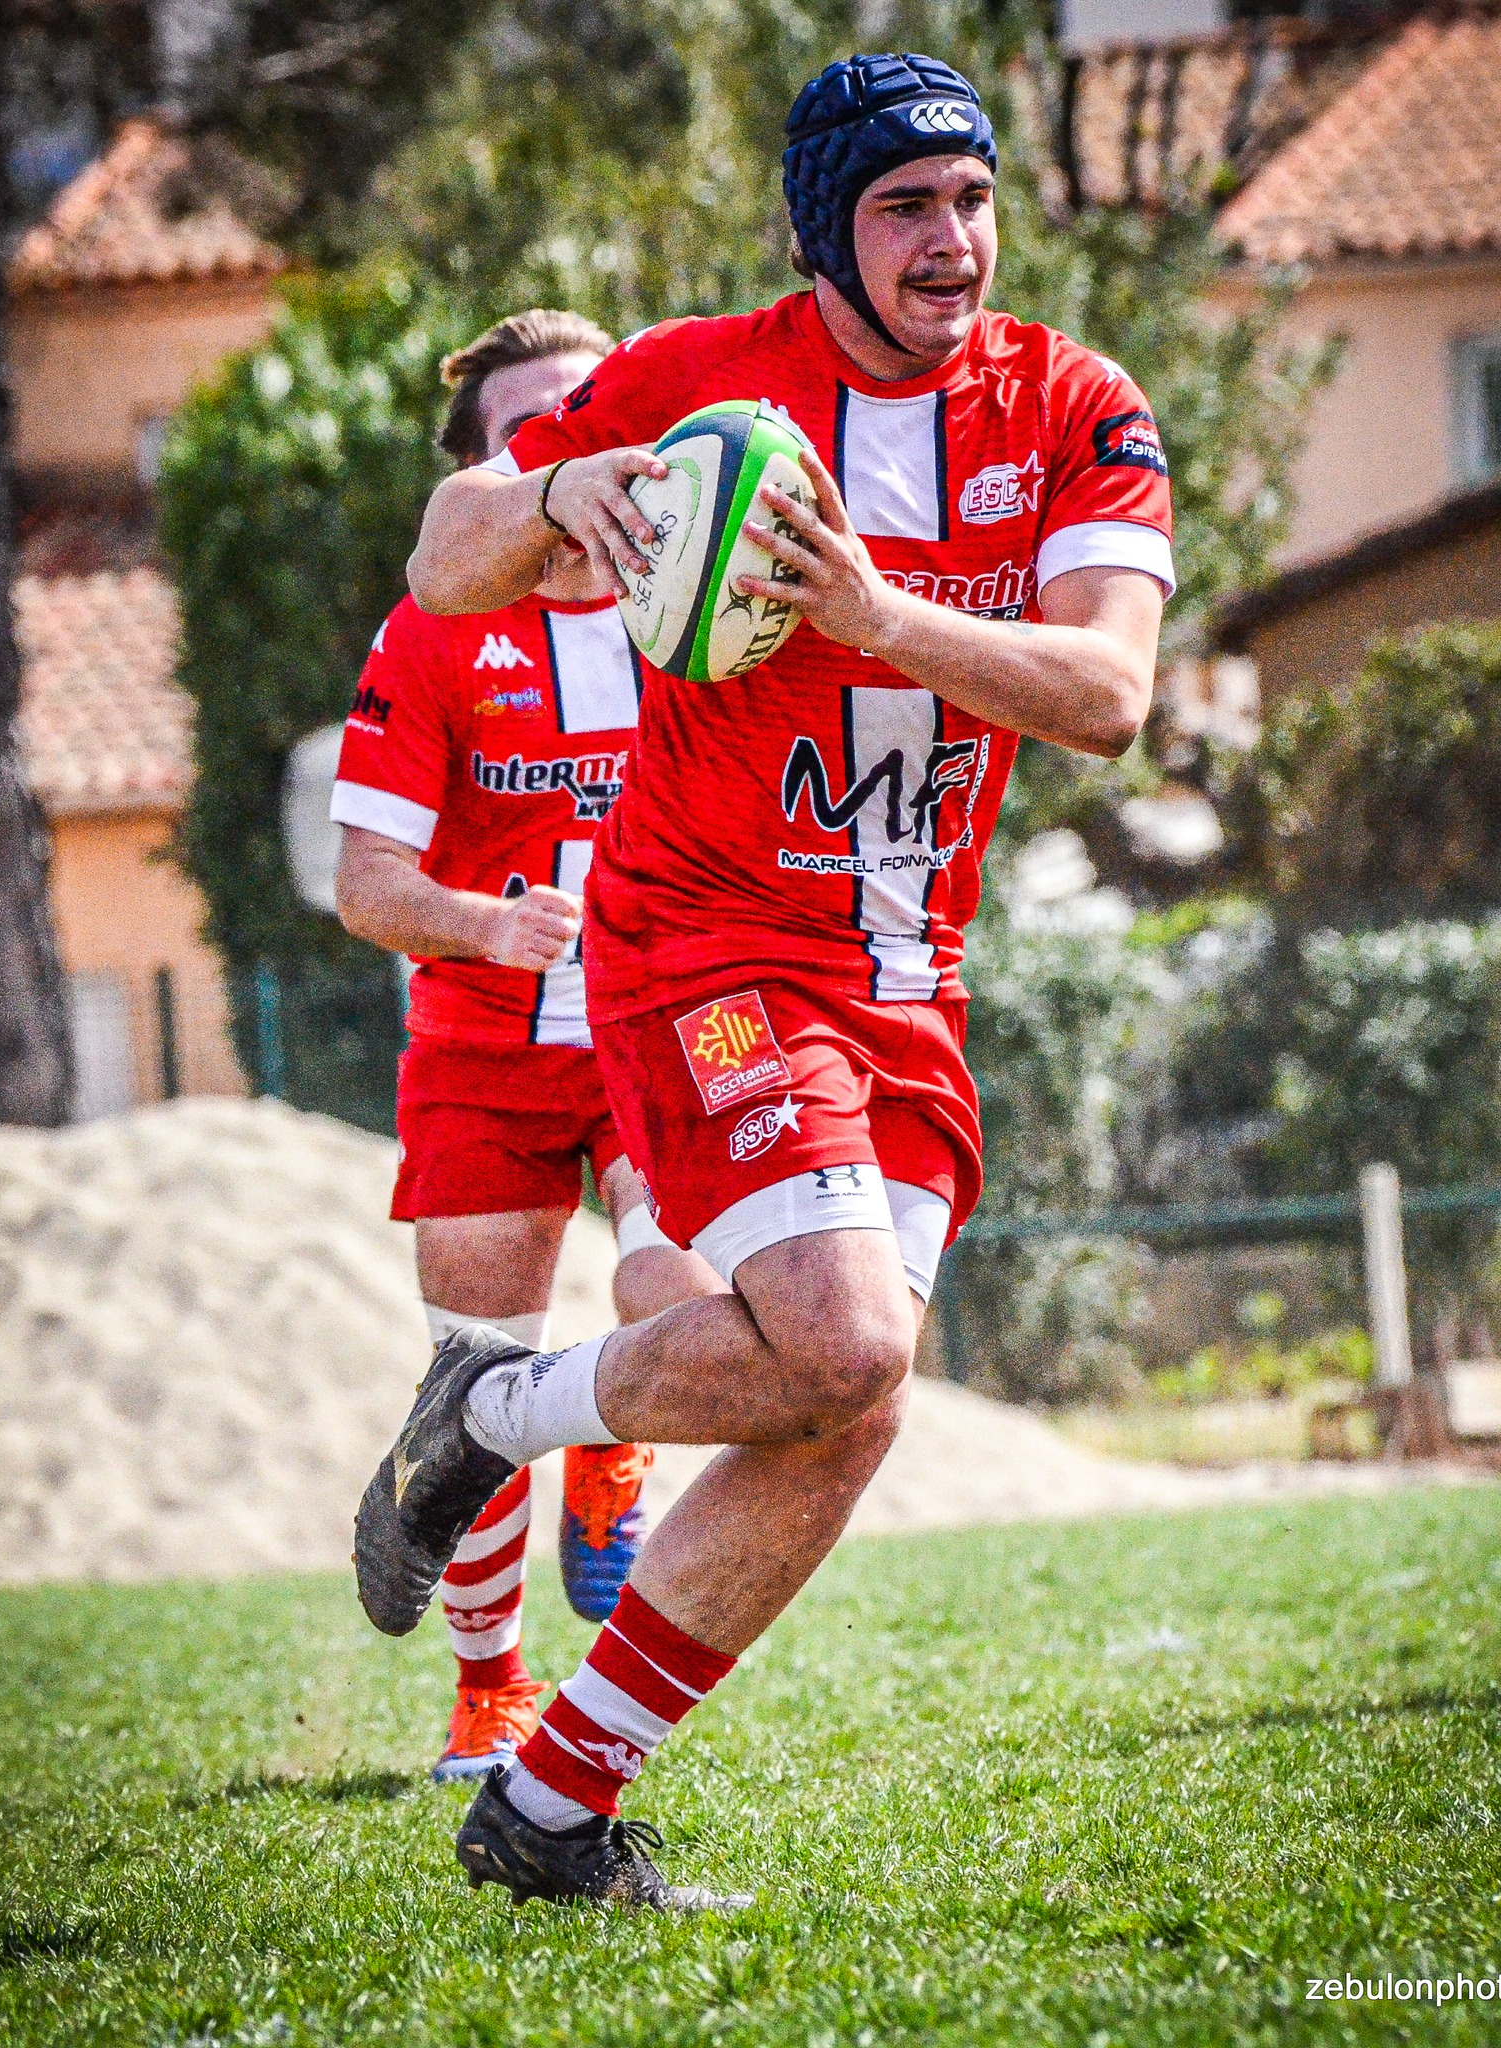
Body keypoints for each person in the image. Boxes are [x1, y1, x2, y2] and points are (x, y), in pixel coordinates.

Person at [354, 53, 1173, 1907]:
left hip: (909, 971)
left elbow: (1111, 697)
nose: (951, 240)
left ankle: (547, 1804)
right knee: (851, 1344)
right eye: (903, 206)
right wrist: (584, 495)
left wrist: (876, 614)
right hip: (706, 938)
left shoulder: (1074, 408)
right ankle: (495, 1429)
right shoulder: (692, 382)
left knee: (844, 1408)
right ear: (824, 227)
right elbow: (444, 551)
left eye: (969, 198)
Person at [330, 309, 723, 1784]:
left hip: (664, 1017)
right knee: (473, 1363)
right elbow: (369, 889)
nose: (583, 450)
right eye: (534, 432)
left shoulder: (701, 601)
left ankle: (617, 1429)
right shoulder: (432, 630)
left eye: (596, 412)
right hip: (485, 1042)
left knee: (681, 1277)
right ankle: (490, 1690)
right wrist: (485, 926)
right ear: (498, 472)